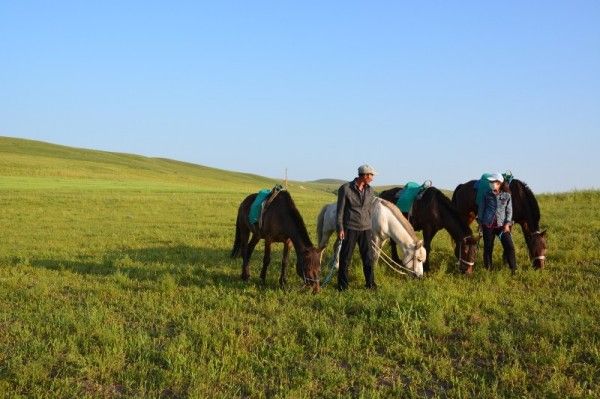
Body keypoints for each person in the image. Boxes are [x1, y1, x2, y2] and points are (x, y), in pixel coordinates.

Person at [336, 164, 377, 290]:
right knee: (345, 258)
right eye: (371, 175)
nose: (372, 178)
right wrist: (340, 228)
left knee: (368, 259)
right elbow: (340, 211)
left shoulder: (370, 190)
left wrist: (370, 226)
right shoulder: (345, 189)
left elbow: (369, 210)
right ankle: (343, 286)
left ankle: (370, 285)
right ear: (364, 175)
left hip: (366, 229)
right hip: (350, 228)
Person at [477, 173, 517, 272]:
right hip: (488, 225)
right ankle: (488, 269)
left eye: (492, 182)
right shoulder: (486, 194)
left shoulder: (507, 196)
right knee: (488, 248)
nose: (491, 183)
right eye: (490, 182)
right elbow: (481, 209)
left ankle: (513, 270)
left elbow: (509, 211)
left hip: (502, 226)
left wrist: (507, 224)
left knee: (509, 246)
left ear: (499, 183)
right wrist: (480, 224)